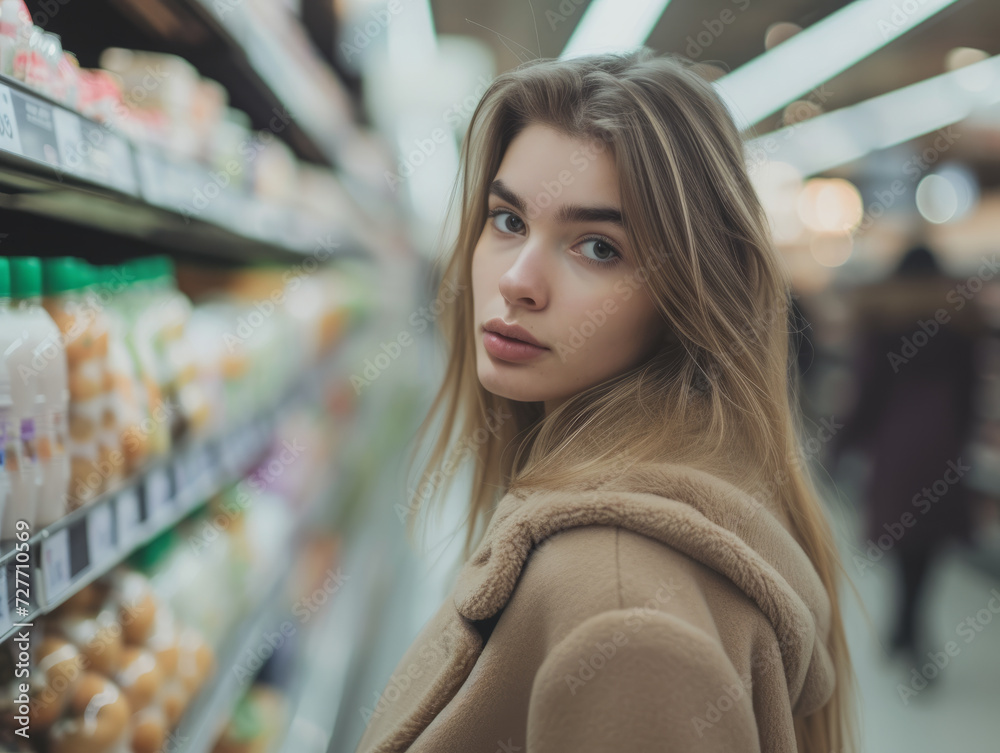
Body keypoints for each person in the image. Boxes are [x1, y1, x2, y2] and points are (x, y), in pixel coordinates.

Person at [354, 48, 859, 753]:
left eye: (597, 247)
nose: (519, 281)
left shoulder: (623, 618)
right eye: (507, 221)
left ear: (690, 294)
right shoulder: (669, 511)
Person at [830, 244, 985, 671]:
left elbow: (865, 393)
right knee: (930, 546)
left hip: (895, 447)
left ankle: (904, 628)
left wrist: (839, 448)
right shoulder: (962, 321)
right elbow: (972, 395)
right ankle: (911, 630)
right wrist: (964, 441)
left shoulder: (881, 319)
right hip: (944, 446)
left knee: (902, 542)